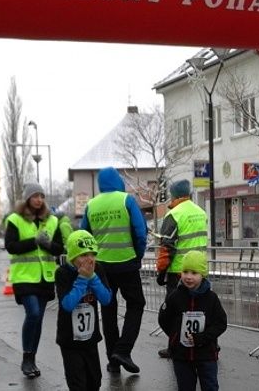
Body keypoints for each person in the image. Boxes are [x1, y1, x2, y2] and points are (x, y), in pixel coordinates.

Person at [80, 166, 147, 374]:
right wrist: (138, 254)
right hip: (126, 262)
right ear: (118, 181)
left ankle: (113, 360)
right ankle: (123, 350)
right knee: (136, 304)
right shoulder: (126, 200)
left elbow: (83, 235)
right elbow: (140, 231)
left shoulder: (91, 205)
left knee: (108, 310)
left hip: (101, 267)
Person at [4, 183, 64, 378]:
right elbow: (11, 246)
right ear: (27, 198)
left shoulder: (52, 220)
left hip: (45, 277)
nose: (39, 199)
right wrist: (34, 241)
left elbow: (58, 249)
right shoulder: (15, 219)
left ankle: (31, 358)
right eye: (35, 196)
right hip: (24, 277)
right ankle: (26, 358)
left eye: (42, 196)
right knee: (33, 313)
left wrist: (47, 243)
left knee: (38, 319)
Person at [158, 251, 227, 391]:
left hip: (206, 354)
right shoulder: (175, 297)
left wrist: (202, 338)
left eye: (194, 273)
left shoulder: (211, 298)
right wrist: (175, 337)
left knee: (210, 386)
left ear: (202, 275)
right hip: (181, 355)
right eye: (185, 272)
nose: (188, 277)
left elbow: (220, 323)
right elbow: (164, 319)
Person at [156, 179, 208, 359]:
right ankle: (206, 344)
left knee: (175, 311)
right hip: (200, 269)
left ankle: (174, 347)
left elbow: (166, 248)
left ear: (174, 195)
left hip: (179, 272)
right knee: (201, 309)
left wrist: (161, 271)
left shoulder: (174, 215)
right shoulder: (201, 212)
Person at [55, 230, 112, 391]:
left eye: (92, 254)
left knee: (95, 381)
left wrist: (92, 278)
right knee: (78, 384)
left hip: (90, 339)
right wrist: (82, 280)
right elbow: (67, 304)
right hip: (70, 341)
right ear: (72, 257)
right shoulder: (63, 273)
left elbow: (106, 299)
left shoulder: (98, 269)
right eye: (83, 255)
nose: (89, 260)